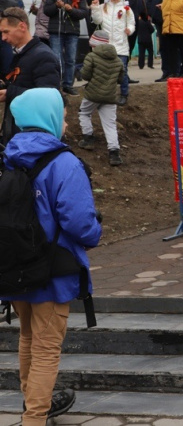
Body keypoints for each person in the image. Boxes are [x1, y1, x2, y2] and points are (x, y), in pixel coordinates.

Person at [1, 88, 102, 426]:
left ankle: (34, 404)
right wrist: (94, 235)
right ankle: (35, 417)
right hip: (53, 271)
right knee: (46, 347)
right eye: (61, 115)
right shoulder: (63, 162)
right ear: (47, 119)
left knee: (28, 338)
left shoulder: (8, 156)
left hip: (15, 268)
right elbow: (79, 221)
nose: (66, 120)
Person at [0, 7, 61, 143]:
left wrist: (10, 92)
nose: (3, 38)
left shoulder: (43, 56)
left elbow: (47, 98)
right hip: (18, 132)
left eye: (6, 32)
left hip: (32, 138)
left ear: (22, 26)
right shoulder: (22, 53)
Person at [77, 31, 125, 166]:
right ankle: (114, 153)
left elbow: (85, 75)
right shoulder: (117, 60)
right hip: (110, 95)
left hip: (93, 94)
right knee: (110, 124)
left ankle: (88, 139)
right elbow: (121, 78)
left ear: (93, 44)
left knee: (84, 113)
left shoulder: (91, 57)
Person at [90, 0, 135, 106]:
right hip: (106, 46)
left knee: (122, 71)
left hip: (121, 45)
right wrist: (95, 8)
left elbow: (131, 23)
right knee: (105, 71)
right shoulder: (104, 7)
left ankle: (124, 94)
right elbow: (97, 20)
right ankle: (105, 95)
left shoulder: (126, 9)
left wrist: (129, 30)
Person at [45, 0, 87, 96]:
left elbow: (83, 13)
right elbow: (47, 10)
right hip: (55, 31)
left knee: (70, 59)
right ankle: (56, 84)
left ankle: (68, 84)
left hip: (72, 32)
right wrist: (56, 6)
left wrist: (71, 10)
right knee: (56, 58)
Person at [145, 0, 172, 80]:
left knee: (173, 46)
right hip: (159, 19)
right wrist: (152, 12)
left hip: (172, 18)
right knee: (164, 47)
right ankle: (165, 72)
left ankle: (174, 72)